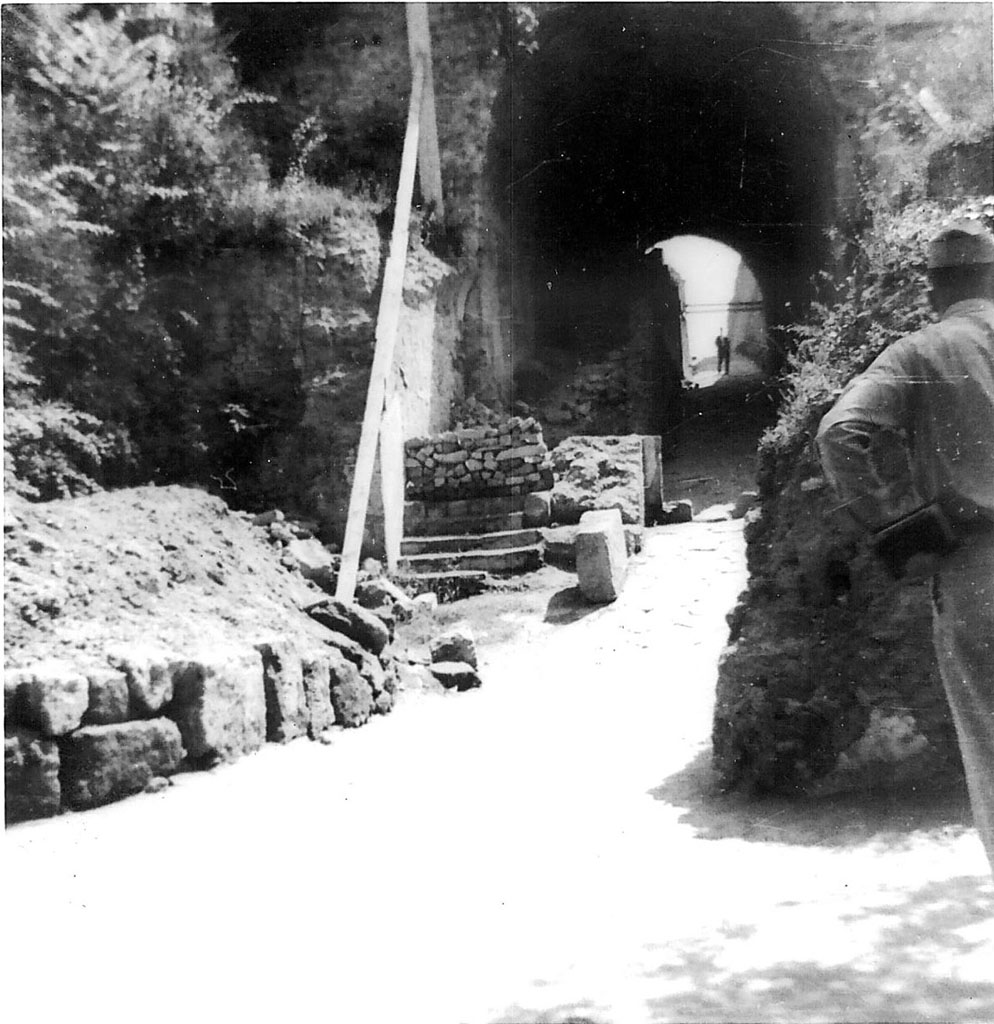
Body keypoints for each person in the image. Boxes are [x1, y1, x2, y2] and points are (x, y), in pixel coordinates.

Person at [816, 219, 994, 873]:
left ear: (933, 288)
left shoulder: (921, 352)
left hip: (978, 572)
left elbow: (840, 433)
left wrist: (895, 526)